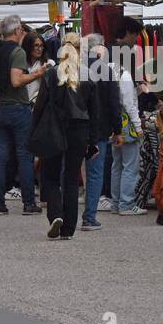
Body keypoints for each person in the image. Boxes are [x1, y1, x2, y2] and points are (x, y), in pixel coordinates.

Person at [30, 33, 98, 241]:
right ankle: (68, 228)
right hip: (79, 130)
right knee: (71, 178)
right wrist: (93, 141)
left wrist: (33, 131)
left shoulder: (51, 74)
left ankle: (56, 215)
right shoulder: (88, 75)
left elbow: (40, 105)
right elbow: (95, 113)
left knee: (49, 176)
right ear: (80, 50)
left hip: (54, 128)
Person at [0, 16, 44, 217]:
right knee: (24, 155)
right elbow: (16, 80)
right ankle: (29, 203)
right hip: (17, 107)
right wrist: (37, 74)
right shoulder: (18, 51)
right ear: (17, 30)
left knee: (1, 155)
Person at [82, 34, 121, 230]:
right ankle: (89, 216)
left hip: (76, 129)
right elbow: (114, 104)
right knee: (95, 173)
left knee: (71, 172)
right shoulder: (106, 71)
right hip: (99, 130)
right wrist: (118, 129)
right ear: (100, 49)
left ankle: (65, 214)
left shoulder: (76, 69)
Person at [109, 45, 145, 217]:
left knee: (117, 165)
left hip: (114, 123)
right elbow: (129, 104)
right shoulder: (125, 75)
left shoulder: (110, 73)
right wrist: (138, 127)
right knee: (130, 166)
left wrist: (137, 90)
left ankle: (116, 203)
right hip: (127, 125)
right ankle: (126, 203)